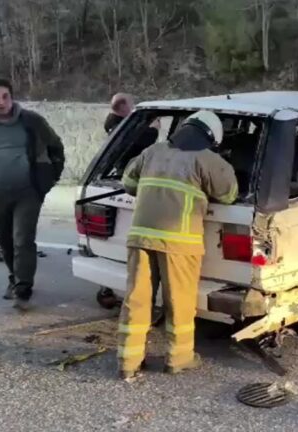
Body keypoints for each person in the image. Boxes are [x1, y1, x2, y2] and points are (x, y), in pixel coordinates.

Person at [117, 110, 238, 380]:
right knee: (179, 302)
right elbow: (229, 195)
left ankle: (128, 361)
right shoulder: (209, 160)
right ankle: (178, 359)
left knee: (136, 300)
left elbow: (128, 183)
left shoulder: (152, 151)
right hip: (179, 242)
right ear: (211, 138)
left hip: (141, 238)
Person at [0, 77, 65, 311]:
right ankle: (14, 277)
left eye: (5, 96)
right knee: (4, 240)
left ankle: (23, 287)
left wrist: (49, 179)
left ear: (12, 97)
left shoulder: (32, 121)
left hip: (28, 192)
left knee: (22, 239)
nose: (0, 102)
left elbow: (56, 146)